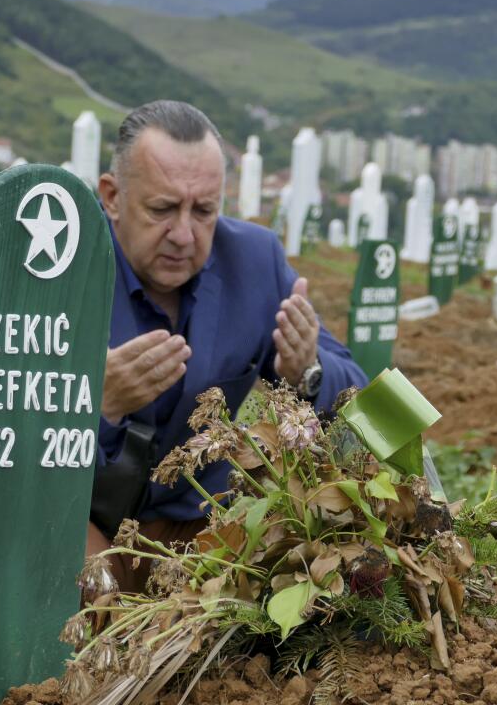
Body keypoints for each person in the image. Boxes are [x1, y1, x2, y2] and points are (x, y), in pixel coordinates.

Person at [85, 101, 368, 588]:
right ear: (111, 197)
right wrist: (97, 404)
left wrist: (307, 372)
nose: (183, 234)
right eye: (162, 209)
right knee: (96, 619)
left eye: (204, 211)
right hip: (76, 519)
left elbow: (353, 388)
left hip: (198, 527)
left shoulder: (255, 262)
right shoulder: (59, 273)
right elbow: (6, 444)